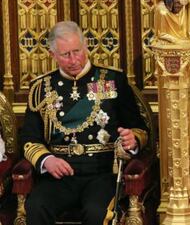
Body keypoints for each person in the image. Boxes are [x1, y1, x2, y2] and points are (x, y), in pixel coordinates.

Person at [20, 21, 149, 225]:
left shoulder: (112, 79)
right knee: (36, 206)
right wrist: (47, 160)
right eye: (65, 54)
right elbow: (29, 138)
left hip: (102, 173)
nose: (74, 60)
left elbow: (139, 129)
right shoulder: (41, 88)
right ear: (52, 55)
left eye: (77, 51)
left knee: (96, 212)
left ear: (85, 46)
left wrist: (132, 140)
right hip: (59, 174)